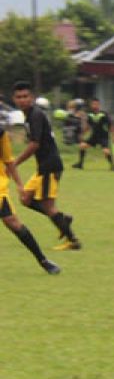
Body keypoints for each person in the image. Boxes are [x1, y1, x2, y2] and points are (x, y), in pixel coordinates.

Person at [11, 81, 82, 251]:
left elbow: (34, 144)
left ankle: (73, 241)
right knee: (26, 199)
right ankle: (62, 219)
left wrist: (15, 162)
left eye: (25, 96)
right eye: (19, 97)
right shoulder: (29, 116)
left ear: (32, 98)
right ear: (14, 99)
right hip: (44, 166)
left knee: (48, 206)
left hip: (49, 166)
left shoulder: (35, 115)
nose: (22, 100)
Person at [1, 116, 60, 273]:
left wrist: (20, 185)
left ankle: (43, 260)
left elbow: (8, 161)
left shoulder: (1, 134)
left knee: (13, 223)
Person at [73, 97, 114, 171]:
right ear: (91, 105)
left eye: (96, 104)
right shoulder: (90, 115)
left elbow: (111, 125)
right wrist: (82, 134)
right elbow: (88, 127)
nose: (95, 106)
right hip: (94, 136)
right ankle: (80, 164)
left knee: (105, 151)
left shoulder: (104, 114)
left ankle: (112, 166)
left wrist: (113, 136)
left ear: (99, 105)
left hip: (103, 136)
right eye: (93, 104)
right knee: (82, 146)